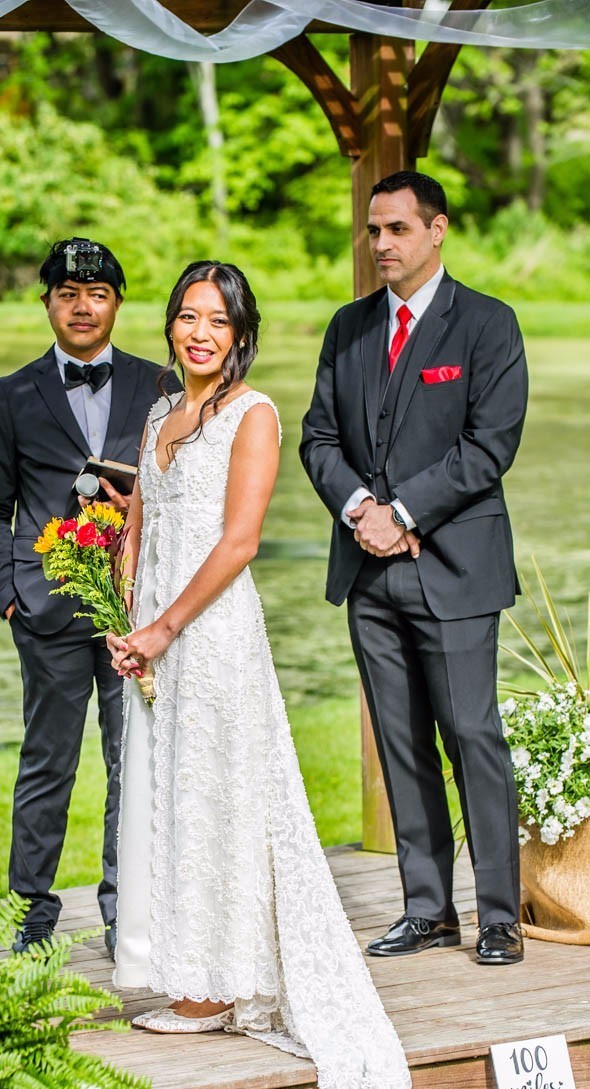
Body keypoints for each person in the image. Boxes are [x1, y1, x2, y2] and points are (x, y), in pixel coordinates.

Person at [105, 259, 547, 1089]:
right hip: (157, 630)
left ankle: (476, 919)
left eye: (216, 321)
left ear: (240, 333)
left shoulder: (251, 414)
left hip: (211, 632)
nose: (198, 333)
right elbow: (142, 518)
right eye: (186, 317)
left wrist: (166, 625)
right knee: (179, 795)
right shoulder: (158, 415)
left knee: (240, 793)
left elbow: (238, 542)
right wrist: (122, 606)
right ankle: (201, 973)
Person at [302, 171, 527, 967]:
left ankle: (498, 915)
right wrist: (361, 508)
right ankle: (428, 909)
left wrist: (401, 514)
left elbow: (489, 447)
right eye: (374, 230)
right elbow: (318, 438)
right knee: (401, 744)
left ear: (437, 230)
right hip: (369, 574)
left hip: (455, 569)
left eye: (397, 228)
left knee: (472, 736)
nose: (382, 244)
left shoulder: (488, 324)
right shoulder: (349, 327)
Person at [0, 238, 175, 956]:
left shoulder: (162, 387)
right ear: (48, 303)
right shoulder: (12, 395)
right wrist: (8, 592)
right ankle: (31, 909)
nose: (82, 306)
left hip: (134, 610)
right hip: (47, 609)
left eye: (97, 294)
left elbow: (183, 492)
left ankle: (128, 911)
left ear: (117, 303)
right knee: (47, 762)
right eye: (67, 294)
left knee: (133, 761)